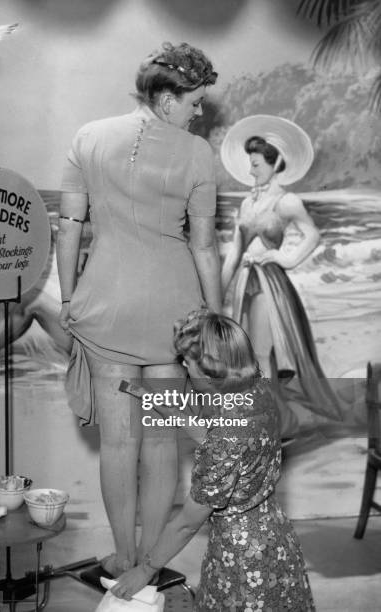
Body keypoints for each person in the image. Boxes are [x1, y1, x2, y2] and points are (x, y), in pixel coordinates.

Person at [57, 42, 222, 576]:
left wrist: (66, 297)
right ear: (167, 98)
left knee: (119, 442)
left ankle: (122, 558)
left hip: (106, 305)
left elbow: (69, 227)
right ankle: (148, 564)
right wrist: (215, 320)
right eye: (195, 102)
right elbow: (203, 247)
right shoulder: (198, 155)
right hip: (174, 316)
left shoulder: (88, 137)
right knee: (160, 441)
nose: (199, 113)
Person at [110, 309, 316, 611]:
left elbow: (186, 523)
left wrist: (144, 570)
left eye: (188, 362)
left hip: (242, 559)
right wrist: (157, 402)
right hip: (276, 538)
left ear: (210, 372)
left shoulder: (226, 437)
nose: (183, 366)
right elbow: (221, 438)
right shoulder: (257, 390)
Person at [219, 115, 342, 435]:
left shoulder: (287, 201)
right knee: (246, 354)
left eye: (257, 165)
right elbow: (234, 250)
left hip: (270, 285)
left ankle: (271, 422)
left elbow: (312, 235)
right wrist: (216, 293)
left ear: (276, 164)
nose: (251, 171)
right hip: (244, 283)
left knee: (261, 351)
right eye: (250, 164)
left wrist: (286, 259)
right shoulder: (246, 204)